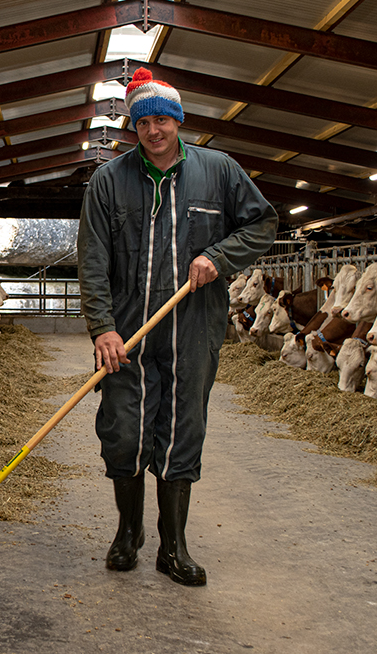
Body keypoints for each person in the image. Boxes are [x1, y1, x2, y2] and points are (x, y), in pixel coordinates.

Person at [77, 67, 278, 586]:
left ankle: (174, 546)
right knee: (123, 431)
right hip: (126, 332)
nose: (155, 130)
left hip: (192, 329)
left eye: (164, 119)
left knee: (181, 433)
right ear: (133, 127)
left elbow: (264, 223)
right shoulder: (109, 180)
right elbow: (93, 258)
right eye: (144, 122)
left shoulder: (219, 170)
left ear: (178, 121)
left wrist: (219, 256)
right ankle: (128, 533)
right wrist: (102, 327)